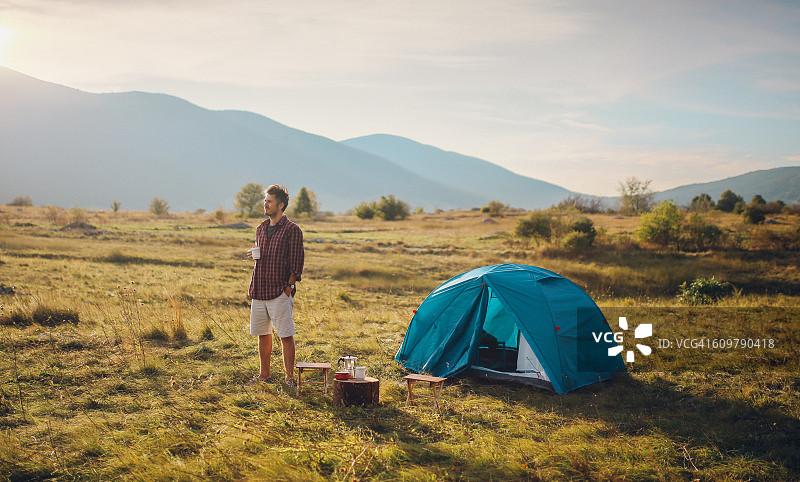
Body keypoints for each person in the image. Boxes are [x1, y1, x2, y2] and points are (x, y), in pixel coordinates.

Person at [246, 185, 304, 386]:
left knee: (285, 335)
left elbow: (297, 264)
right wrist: (253, 254)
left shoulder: (292, 230)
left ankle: (289, 378)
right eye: (265, 200)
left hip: (279, 291)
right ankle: (264, 375)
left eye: (269, 201)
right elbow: (261, 254)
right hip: (259, 289)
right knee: (263, 334)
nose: (265, 204)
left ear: (280, 205)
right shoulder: (260, 228)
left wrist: (287, 288)